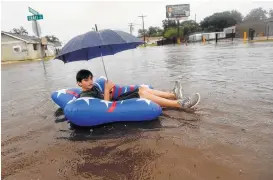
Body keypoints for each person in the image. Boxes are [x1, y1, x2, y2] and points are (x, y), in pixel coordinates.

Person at [76, 69, 200, 109]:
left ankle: (172, 94)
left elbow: (102, 98)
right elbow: (105, 106)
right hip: (112, 105)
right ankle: (179, 104)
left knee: (141, 89)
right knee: (142, 95)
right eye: (86, 80)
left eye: (91, 78)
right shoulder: (84, 97)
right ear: (79, 83)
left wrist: (109, 91)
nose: (90, 82)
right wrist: (107, 90)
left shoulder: (93, 89)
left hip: (113, 99)